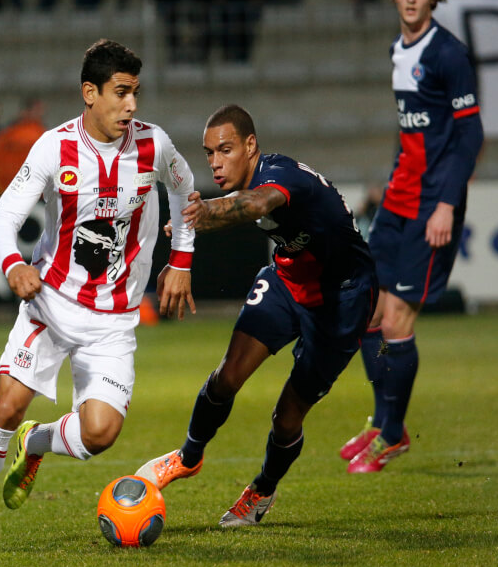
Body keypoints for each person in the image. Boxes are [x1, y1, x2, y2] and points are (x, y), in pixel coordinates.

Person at [0, 39, 198, 553]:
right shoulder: (54, 147)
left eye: (135, 93)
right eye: (121, 93)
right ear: (90, 93)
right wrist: (13, 264)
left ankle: (37, 441)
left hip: (116, 319)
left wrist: (181, 261)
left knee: (100, 434)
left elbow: (186, 190)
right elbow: (3, 219)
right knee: (7, 404)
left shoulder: (154, 144)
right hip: (51, 303)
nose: (131, 105)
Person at [135, 104, 377, 526]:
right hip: (287, 279)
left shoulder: (280, 177)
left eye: (224, 150)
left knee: (286, 417)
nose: (214, 162)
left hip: (343, 300)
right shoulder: (247, 183)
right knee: (227, 375)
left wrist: (203, 215)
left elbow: (257, 203)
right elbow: (243, 203)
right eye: (209, 152)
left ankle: (262, 490)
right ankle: (188, 456)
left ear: (250, 145)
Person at [339, 0, 483, 473]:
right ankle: (382, 421)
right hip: (398, 199)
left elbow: (469, 138)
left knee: (397, 316)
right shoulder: (398, 51)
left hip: (430, 206)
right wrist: (384, 185)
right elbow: (412, 132)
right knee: (366, 310)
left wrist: (446, 205)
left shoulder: (448, 54)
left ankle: (394, 434)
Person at [0, 96, 45, 190]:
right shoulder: (11, 133)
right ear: (25, 111)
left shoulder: (39, 131)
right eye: (37, 110)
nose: (40, 113)